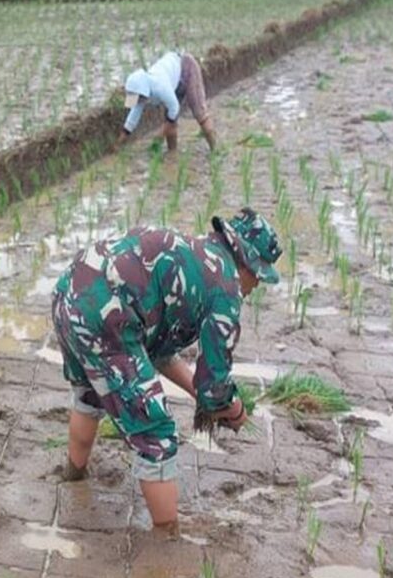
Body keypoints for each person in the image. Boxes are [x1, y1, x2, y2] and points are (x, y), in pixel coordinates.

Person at [51, 208, 282, 535]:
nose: (257, 283)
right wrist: (235, 410)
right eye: (258, 274)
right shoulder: (226, 288)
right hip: (108, 317)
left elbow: (161, 354)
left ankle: (73, 475)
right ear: (245, 261)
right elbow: (215, 386)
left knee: (90, 395)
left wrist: (198, 393)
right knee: (156, 433)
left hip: (69, 294)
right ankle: (167, 537)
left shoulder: (195, 253)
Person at [117, 51, 216, 152]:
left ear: (143, 92)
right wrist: (119, 142)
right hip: (173, 77)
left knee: (199, 113)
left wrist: (160, 134)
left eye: (138, 98)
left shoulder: (159, 86)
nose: (137, 101)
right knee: (169, 119)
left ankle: (215, 150)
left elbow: (174, 108)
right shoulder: (138, 90)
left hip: (186, 67)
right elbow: (133, 114)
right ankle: (172, 154)